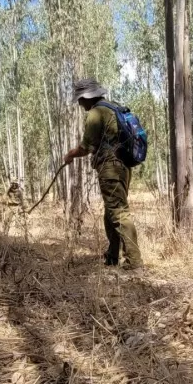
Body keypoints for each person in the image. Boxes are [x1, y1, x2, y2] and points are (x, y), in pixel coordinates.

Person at [63, 78, 143, 270]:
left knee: (118, 212)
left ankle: (134, 261)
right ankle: (112, 256)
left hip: (110, 168)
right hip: (123, 167)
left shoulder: (96, 113)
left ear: (88, 97)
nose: (80, 104)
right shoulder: (113, 107)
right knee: (111, 212)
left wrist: (70, 155)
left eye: (81, 99)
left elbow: (86, 147)